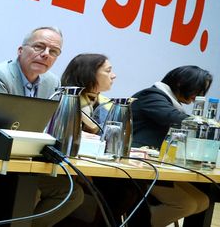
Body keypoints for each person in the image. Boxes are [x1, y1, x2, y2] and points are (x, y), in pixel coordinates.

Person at [0, 26, 84, 227]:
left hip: (27, 163)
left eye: (53, 52)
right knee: (27, 190)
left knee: (72, 193)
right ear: (21, 50)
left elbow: (49, 126)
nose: (46, 54)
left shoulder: (52, 82)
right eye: (39, 47)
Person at [60, 53, 149, 227]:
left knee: (135, 185)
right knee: (121, 190)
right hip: (72, 171)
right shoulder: (67, 100)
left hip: (99, 169)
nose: (114, 75)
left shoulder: (105, 102)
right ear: (90, 73)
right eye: (108, 71)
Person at [131, 66, 212, 226]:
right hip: (139, 167)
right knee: (186, 204)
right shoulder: (151, 95)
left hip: (158, 167)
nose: (197, 97)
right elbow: (176, 119)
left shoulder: (167, 101)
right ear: (180, 83)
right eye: (198, 90)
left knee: (202, 201)